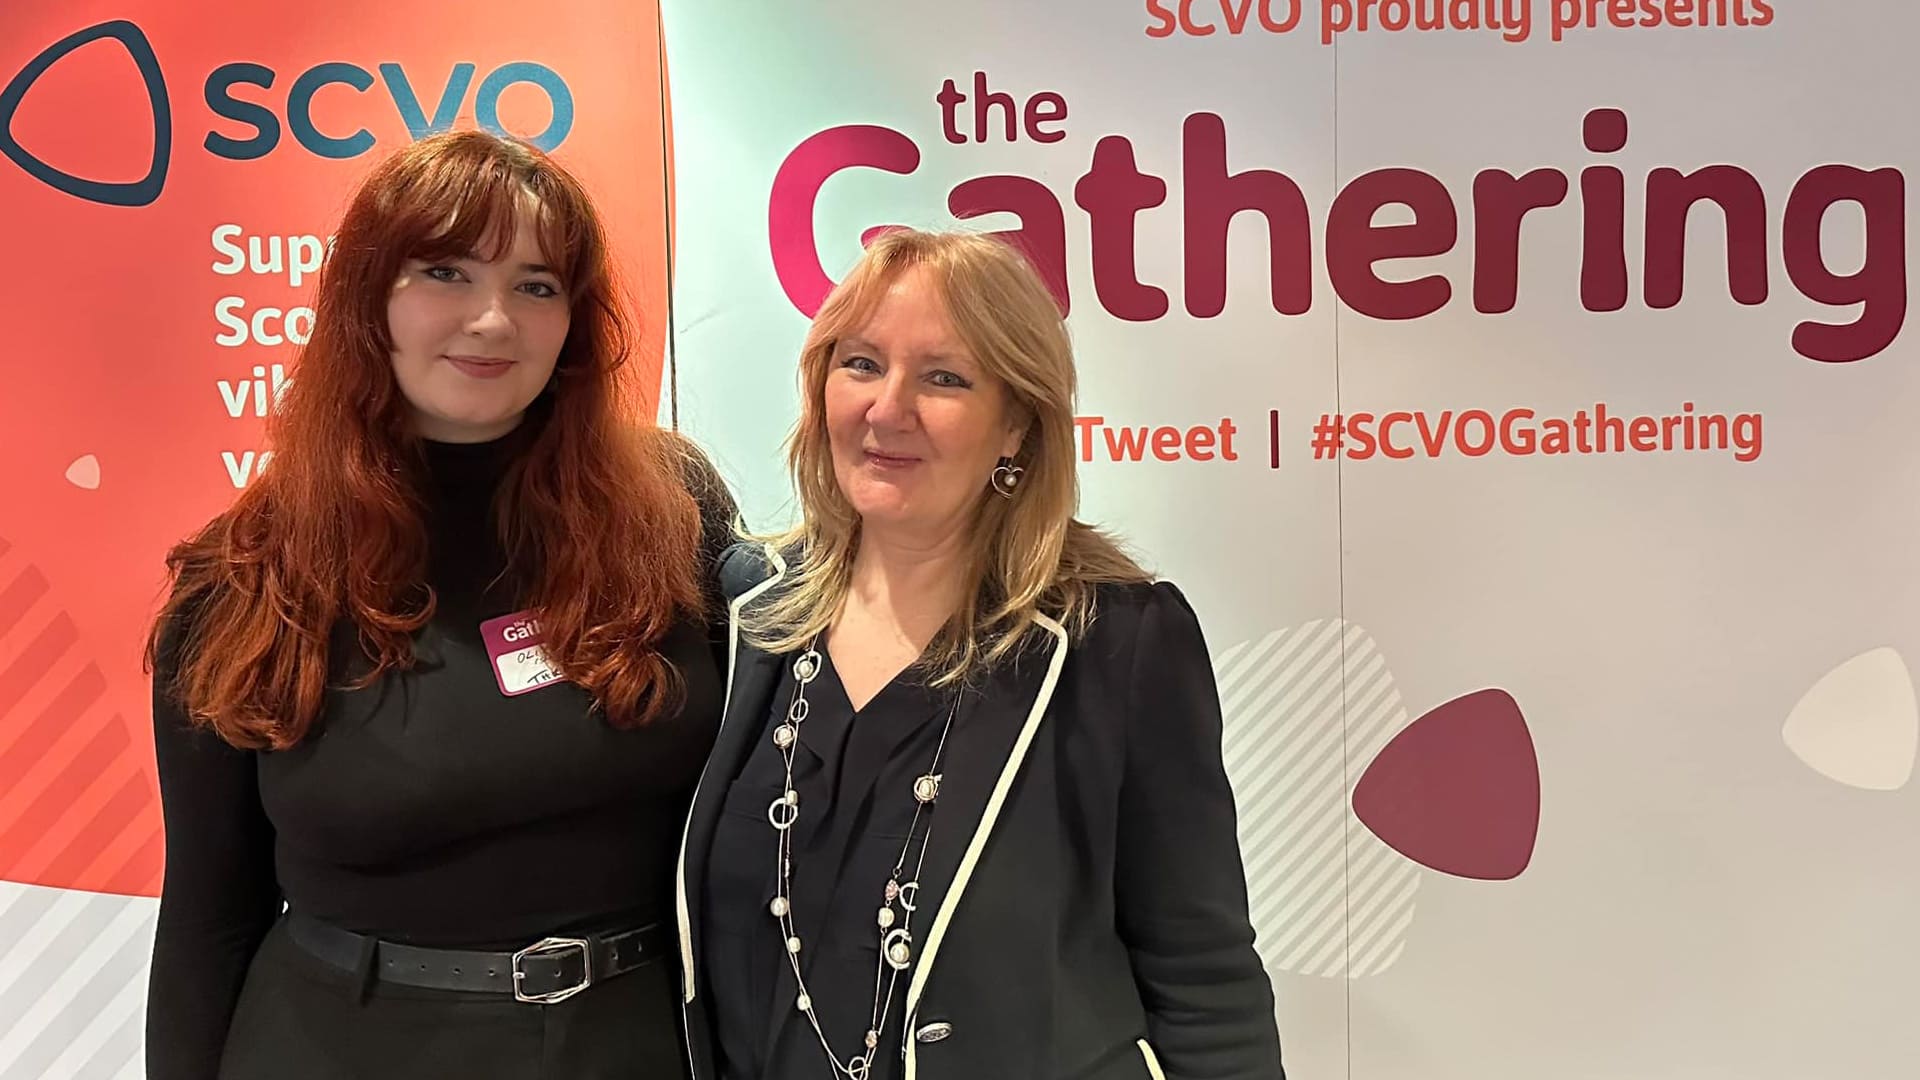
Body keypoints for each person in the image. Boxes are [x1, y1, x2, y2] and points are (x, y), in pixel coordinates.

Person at [144, 130, 736, 1080]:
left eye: (537, 285)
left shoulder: (670, 516)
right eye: (446, 272)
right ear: (366, 297)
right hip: (338, 1049)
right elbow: (209, 916)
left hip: (633, 1042)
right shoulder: (251, 573)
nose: (494, 320)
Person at [676, 229, 1284, 1080]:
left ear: (1017, 427)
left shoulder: (1117, 640)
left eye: (944, 379)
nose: (888, 409)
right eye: (861, 364)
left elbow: (1202, 977)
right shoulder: (744, 612)